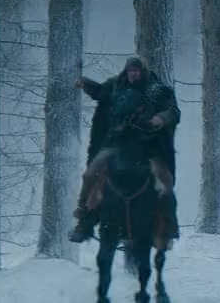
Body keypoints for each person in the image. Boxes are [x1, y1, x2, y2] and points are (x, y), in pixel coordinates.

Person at [68, 56, 180, 245]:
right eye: (130, 71)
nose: (133, 74)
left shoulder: (158, 90)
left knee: (164, 180)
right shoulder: (115, 86)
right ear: (126, 72)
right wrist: (85, 83)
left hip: (148, 145)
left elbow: (173, 111)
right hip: (117, 144)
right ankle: (85, 220)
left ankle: (168, 227)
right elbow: (99, 92)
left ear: (143, 72)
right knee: (91, 174)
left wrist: (160, 119)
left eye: (137, 71)